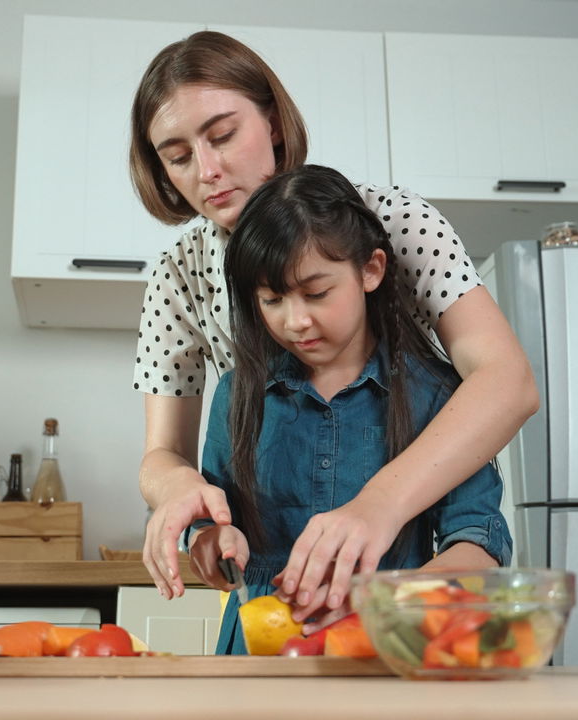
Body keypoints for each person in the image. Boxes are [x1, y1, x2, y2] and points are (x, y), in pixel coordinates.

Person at [132, 31, 538, 628]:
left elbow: (507, 383)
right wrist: (176, 497)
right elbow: (163, 454)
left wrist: (377, 508)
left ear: (272, 121)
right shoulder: (178, 275)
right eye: (178, 155)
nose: (208, 171)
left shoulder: (391, 221)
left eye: (222, 136)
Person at [192, 165, 512, 654]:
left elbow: (479, 541)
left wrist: (390, 600)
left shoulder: (436, 394)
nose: (296, 321)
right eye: (272, 300)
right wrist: (211, 543)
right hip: (257, 658)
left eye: (317, 293)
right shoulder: (237, 396)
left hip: (385, 650)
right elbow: (209, 520)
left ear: (370, 270)